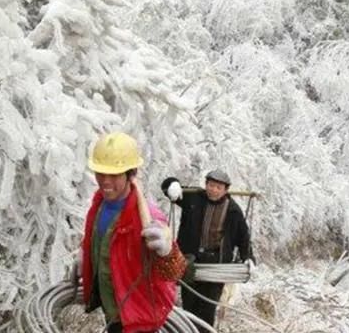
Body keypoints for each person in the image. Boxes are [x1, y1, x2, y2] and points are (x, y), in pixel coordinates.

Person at [80, 132, 186, 333]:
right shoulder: (99, 206)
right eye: (100, 173)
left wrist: (167, 251)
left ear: (130, 174)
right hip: (113, 312)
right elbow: (99, 243)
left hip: (138, 320)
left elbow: (176, 272)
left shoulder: (148, 217)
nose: (105, 181)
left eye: (114, 174)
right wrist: (85, 257)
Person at [161, 169, 253, 330]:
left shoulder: (233, 210)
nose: (213, 190)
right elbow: (167, 188)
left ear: (225, 190)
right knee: (189, 306)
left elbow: (243, 237)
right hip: (191, 262)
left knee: (207, 309)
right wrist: (171, 184)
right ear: (206, 185)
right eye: (211, 185)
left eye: (218, 187)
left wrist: (248, 257)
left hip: (216, 265)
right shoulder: (193, 198)